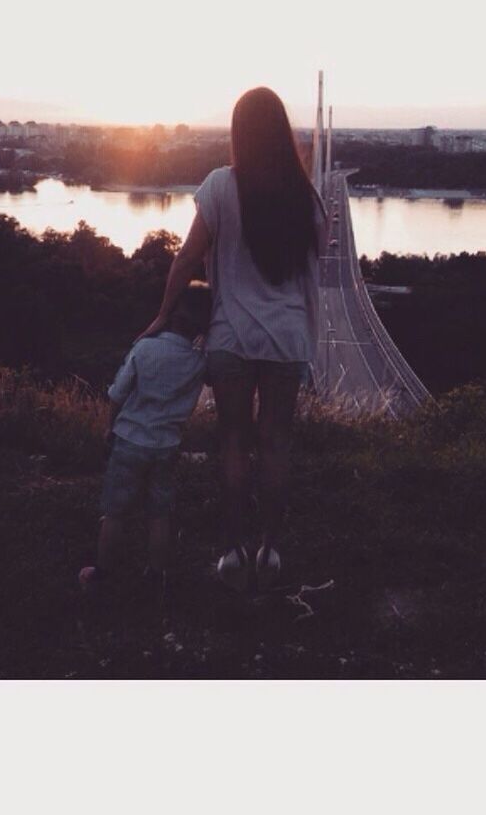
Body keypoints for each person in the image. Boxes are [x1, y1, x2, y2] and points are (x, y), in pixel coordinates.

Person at [138, 87, 326, 592]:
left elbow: (184, 257)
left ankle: (234, 550)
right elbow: (314, 263)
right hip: (287, 340)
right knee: (276, 444)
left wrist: (161, 316)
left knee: (234, 442)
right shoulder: (304, 197)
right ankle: (270, 550)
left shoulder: (221, 187)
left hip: (232, 339)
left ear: (238, 133)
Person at [78, 282, 212, 598]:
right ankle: (157, 575)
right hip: (167, 445)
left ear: (170, 313)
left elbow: (118, 394)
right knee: (159, 512)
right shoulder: (198, 362)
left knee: (115, 511)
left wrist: (110, 427)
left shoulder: (145, 348)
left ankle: (102, 573)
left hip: (129, 439)